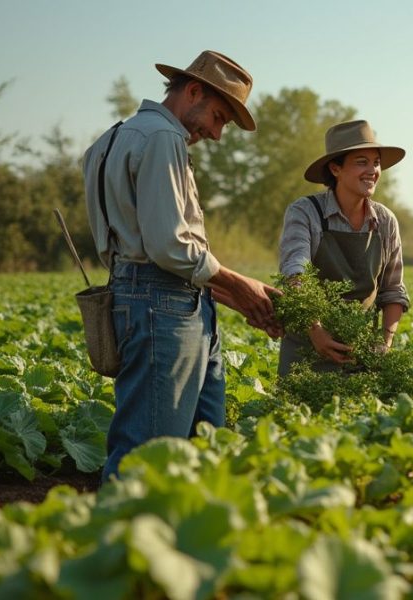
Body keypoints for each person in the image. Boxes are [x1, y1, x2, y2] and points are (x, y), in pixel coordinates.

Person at [82, 50, 282, 481]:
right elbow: (169, 246)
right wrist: (239, 284)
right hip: (164, 309)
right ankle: (125, 521)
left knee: (203, 450)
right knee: (150, 459)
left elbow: (138, 247)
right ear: (193, 91)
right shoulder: (163, 138)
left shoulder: (110, 139)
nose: (216, 134)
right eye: (218, 117)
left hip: (153, 298)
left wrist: (234, 296)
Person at [277, 120, 409, 377]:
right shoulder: (305, 212)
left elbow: (393, 291)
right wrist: (316, 331)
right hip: (306, 355)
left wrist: (384, 343)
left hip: (360, 356)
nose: (372, 170)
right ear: (335, 168)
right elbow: (295, 274)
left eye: (376, 162)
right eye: (361, 162)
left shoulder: (385, 221)